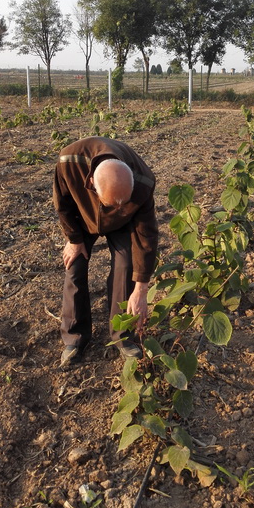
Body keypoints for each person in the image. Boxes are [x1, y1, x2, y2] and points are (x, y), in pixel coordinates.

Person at [53, 136, 158, 367]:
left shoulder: (143, 182)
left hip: (123, 224)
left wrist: (141, 288)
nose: (119, 208)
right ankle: (74, 338)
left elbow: (146, 238)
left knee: (126, 265)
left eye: (125, 202)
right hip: (84, 214)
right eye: (114, 204)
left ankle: (123, 336)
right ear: (91, 183)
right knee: (75, 264)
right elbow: (63, 203)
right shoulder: (69, 161)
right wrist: (74, 239)